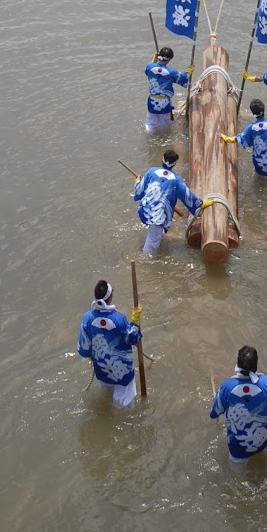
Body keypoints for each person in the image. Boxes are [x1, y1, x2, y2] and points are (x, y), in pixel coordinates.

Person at [210, 346, 267, 462]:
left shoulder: (226, 387)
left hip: (238, 449)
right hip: (262, 443)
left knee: (237, 477)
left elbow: (214, 413)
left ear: (238, 364)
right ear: (256, 364)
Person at [77, 280, 142, 408]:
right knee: (124, 408)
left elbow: (84, 348)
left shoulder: (87, 318)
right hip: (121, 371)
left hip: (102, 369)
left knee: (105, 397)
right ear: (110, 296)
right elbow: (133, 339)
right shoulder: (119, 318)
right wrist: (135, 321)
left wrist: (92, 356)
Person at [133, 149, 208, 254]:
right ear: (174, 164)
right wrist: (201, 204)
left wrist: (137, 181)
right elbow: (188, 196)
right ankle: (145, 264)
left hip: (145, 210)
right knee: (150, 251)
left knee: (154, 232)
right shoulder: (176, 180)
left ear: (162, 160)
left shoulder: (151, 171)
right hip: (158, 216)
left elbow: (139, 190)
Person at [222, 99, 267, 179]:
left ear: (253, 113)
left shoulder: (250, 129)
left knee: (259, 180)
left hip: (259, 163)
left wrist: (227, 139)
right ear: (264, 109)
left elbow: (239, 139)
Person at [144, 47, 189, 130]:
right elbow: (184, 79)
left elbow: (147, 71)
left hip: (152, 101)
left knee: (149, 125)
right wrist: (189, 72)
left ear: (158, 56)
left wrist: (154, 59)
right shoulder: (171, 72)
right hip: (164, 103)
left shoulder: (149, 66)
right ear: (170, 59)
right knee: (164, 126)